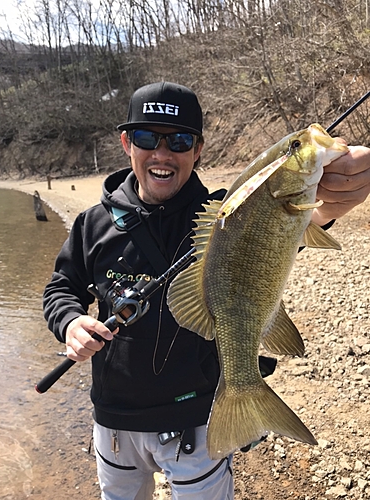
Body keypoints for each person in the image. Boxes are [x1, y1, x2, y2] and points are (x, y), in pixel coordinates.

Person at [43, 81, 370, 500]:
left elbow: (300, 224)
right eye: (148, 138)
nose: (163, 153)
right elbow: (60, 288)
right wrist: (71, 322)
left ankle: (243, 401)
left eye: (179, 140)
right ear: (127, 143)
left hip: (195, 418)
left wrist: (339, 198)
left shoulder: (227, 216)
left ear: (197, 150)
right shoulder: (91, 224)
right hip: (115, 421)